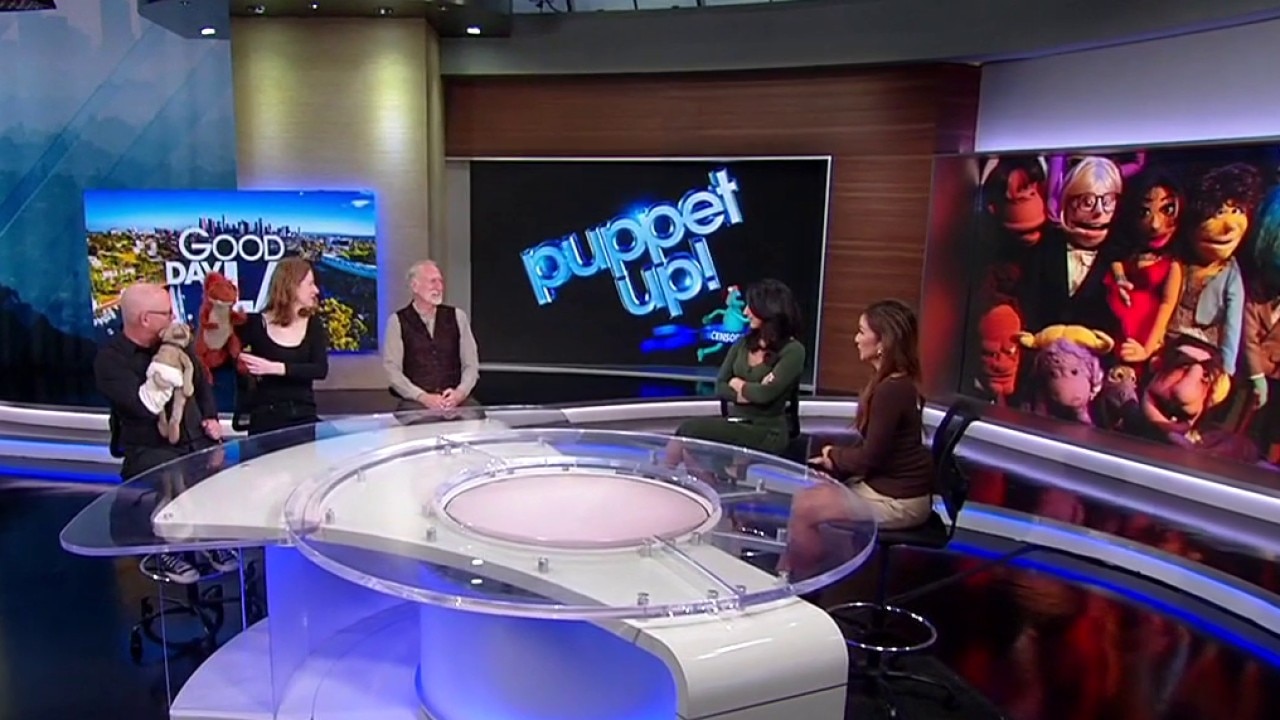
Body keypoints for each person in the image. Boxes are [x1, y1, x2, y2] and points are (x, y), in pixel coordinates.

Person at [95, 282, 236, 583]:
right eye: (167, 313)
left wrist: (211, 418)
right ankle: (162, 552)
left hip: (196, 439)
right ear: (145, 319)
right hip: (151, 448)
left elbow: (200, 383)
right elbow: (142, 407)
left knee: (224, 474)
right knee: (168, 479)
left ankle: (209, 540)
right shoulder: (111, 360)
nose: (174, 318)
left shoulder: (178, 343)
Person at [785, 300, 934, 579]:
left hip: (899, 500)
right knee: (809, 495)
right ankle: (797, 574)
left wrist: (833, 455)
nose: (855, 339)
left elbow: (871, 457)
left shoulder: (891, 390)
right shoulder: (893, 383)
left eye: (862, 332)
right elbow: (874, 449)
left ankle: (800, 584)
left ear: (882, 343)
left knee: (806, 507)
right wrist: (835, 461)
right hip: (888, 487)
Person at [667, 279, 805, 462]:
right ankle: (689, 479)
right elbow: (721, 385)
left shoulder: (793, 351)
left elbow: (764, 394)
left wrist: (738, 383)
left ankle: (658, 475)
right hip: (735, 422)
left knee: (688, 430)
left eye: (751, 307)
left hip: (766, 431)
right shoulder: (743, 343)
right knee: (690, 450)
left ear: (768, 310)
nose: (745, 312)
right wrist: (750, 392)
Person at [236, 257, 330, 438]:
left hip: (303, 417)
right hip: (265, 421)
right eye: (310, 284)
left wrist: (275, 368)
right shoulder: (254, 324)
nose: (316, 290)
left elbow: (320, 369)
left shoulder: (313, 324)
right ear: (291, 286)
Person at [383, 260, 480, 412]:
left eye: (441, 281)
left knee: (475, 416)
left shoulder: (458, 317)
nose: (439, 287)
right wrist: (422, 397)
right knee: (416, 418)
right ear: (415, 286)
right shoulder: (397, 321)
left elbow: (471, 365)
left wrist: (459, 394)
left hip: (456, 400)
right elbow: (393, 371)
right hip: (416, 402)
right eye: (433, 281)